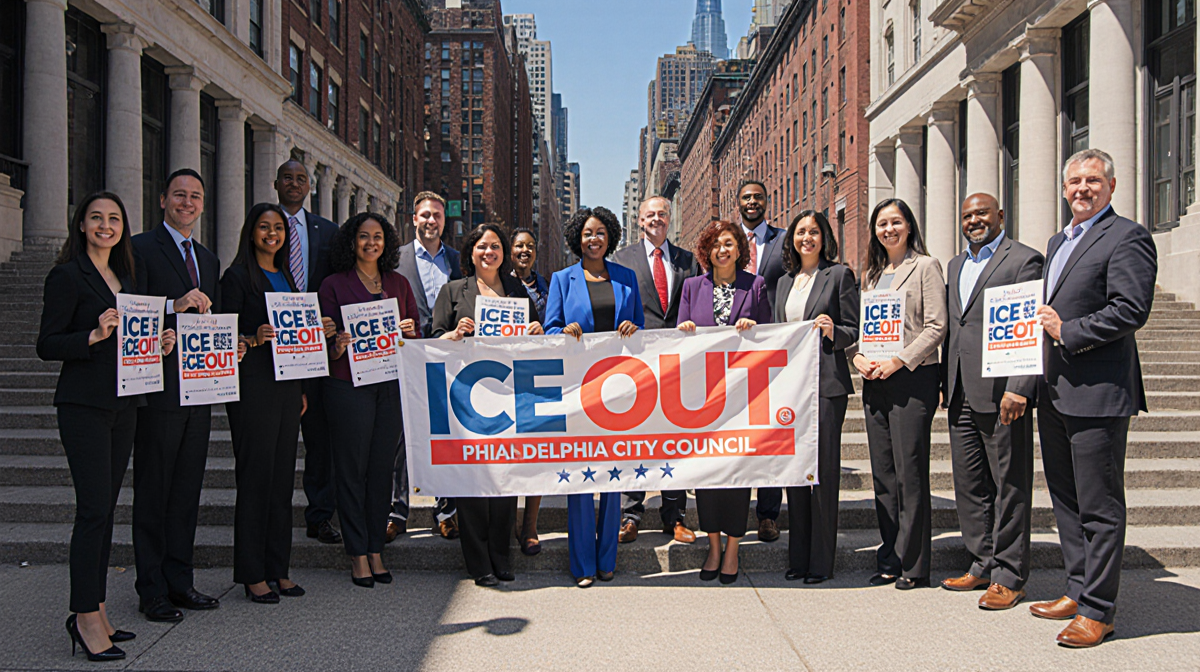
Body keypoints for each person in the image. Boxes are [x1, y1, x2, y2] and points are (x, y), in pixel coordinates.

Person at [38, 191, 176, 661]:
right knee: (93, 511)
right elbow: (47, 343)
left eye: (114, 218)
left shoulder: (127, 277)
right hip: (84, 405)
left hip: (127, 402)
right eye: (96, 217)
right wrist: (93, 335)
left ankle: (96, 609)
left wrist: (159, 341)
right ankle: (83, 617)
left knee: (107, 508)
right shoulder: (66, 275)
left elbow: (135, 336)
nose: (105, 225)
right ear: (81, 225)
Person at [1029, 149, 1157, 648]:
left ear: (1112, 185)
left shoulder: (1127, 236)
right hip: (1056, 391)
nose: (1082, 189)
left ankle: (1099, 611)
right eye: (1074, 182)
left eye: (1092, 181)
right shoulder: (1059, 240)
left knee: (1100, 505)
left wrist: (1067, 331)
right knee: (1066, 499)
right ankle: (1078, 589)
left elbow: (1131, 309)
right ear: (1064, 189)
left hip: (1099, 392)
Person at [221, 203, 331, 603]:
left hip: (287, 389)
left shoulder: (286, 277)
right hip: (253, 388)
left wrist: (302, 387)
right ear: (251, 232)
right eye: (264, 227)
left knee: (283, 481)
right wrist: (252, 337)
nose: (272, 234)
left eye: (279, 228)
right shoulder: (235, 278)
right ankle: (252, 574)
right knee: (256, 480)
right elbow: (223, 337)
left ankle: (278, 569)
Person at [939, 194, 1044, 609]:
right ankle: (981, 562)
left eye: (982, 213)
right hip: (961, 390)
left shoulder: (1024, 260)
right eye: (967, 215)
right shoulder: (954, 265)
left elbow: (1030, 325)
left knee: (1010, 485)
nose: (974, 220)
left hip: (1004, 393)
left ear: (1001, 215)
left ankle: (1010, 575)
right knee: (969, 485)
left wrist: (1020, 385)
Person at [130, 169, 222, 622]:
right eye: (180, 195)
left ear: (203, 205)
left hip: (200, 389)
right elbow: (127, 307)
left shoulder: (208, 258)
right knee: (154, 489)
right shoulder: (140, 247)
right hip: (157, 389)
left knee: (187, 490)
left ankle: (180, 581)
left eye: (196, 197)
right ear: (163, 198)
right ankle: (151, 590)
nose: (187, 202)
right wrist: (173, 307)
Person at [433, 224, 544, 586]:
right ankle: (479, 563)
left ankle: (502, 557)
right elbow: (433, 341)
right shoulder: (453, 291)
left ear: (504, 253)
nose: (489, 252)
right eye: (482, 246)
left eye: (495, 246)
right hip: (467, 399)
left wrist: (536, 331)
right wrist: (453, 334)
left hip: (508, 399)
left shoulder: (517, 291)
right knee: (474, 482)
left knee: (505, 481)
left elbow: (535, 338)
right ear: (472, 251)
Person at [544, 206, 643, 588]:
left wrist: (632, 327)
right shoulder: (562, 279)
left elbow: (642, 331)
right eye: (587, 233)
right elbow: (551, 326)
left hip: (619, 388)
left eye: (600, 232)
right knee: (580, 481)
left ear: (610, 237)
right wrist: (562, 330)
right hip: (577, 388)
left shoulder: (626, 278)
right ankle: (583, 565)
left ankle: (607, 561)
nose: (594, 239)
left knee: (613, 478)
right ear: (577, 238)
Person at [319, 212, 420, 587]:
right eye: (364, 236)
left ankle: (376, 548)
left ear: (387, 243)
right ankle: (357, 553)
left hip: (390, 386)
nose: (371, 243)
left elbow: (413, 336)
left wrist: (409, 330)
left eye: (378, 236)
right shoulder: (333, 285)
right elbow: (324, 345)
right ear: (352, 242)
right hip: (347, 386)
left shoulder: (398, 283)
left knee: (381, 469)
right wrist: (337, 343)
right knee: (351, 469)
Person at [853, 198, 946, 590]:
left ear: (909, 226)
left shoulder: (925, 266)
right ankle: (889, 557)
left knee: (910, 474)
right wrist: (858, 356)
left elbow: (936, 326)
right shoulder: (872, 275)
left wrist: (898, 361)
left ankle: (915, 565)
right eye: (881, 223)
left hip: (911, 380)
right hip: (875, 381)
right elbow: (864, 329)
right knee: (884, 476)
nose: (888, 229)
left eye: (895, 222)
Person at [676, 220, 771, 585]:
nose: (722, 250)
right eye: (715, 244)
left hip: (742, 396)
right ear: (706, 251)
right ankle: (712, 545)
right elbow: (680, 334)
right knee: (708, 475)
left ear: (739, 249)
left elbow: (772, 336)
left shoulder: (756, 285)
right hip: (701, 396)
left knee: (735, 473)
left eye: (729, 243)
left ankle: (733, 548)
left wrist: (755, 329)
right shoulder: (691, 287)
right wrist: (683, 330)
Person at [773, 211, 859, 585]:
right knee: (796, 475)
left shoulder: (839, 275)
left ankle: (821, 562)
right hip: (790, 388)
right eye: (800, 232)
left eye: (814, 232)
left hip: (825, 386)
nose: (807, 237)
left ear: (825, 237)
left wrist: (832, 331)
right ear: (791, 238)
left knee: (821, 475)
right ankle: (799, 557)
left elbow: (854, 329)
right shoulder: (782, 283)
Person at [611, 196, 699, 545]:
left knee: (675, 441)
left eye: (662, 214)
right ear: (639, 219)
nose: (657, 219)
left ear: (670, 217)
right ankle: (630, 515)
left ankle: (675, 516)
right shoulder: (622, 259)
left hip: (678, 364)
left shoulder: (688, 260)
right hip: (637, 364)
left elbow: (695, 302)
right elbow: (616, 306)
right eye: (650, 215)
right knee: (634, 440)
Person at [274, 160, 343, 546]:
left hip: (317, 350)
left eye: (302, 179)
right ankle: (274, 515)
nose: (295, 184)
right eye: (288, 178)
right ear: (276, 183)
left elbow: (334, 286)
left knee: (320, 440)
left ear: (311, 186)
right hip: (274, 350)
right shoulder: (264, 226)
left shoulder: (328, 233)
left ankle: (319, 516)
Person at [393, 192, 461, 542]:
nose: (431, 220)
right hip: (405, 357)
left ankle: (446, 510)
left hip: (447, 360)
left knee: (445, 433)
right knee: (402, 437)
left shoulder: (458, 260)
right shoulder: (396, 259)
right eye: (425, 215)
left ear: (444, 221)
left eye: (437, 214)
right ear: (414, 219)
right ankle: (396, 510)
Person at [733, 179, 787, 542]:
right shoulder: (725, 240)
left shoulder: (784, 240)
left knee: (770, 436)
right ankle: (734, 510)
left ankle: (768, 514)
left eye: (758, 197)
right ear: (738, 203)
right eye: (746, 197)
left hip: (773, 348)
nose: (753, 202)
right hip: (732, 353)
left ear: (767, 202)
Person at [509, 226, 548, 556]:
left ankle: (530, 526)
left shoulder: (548, 286)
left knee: (536, 456)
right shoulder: (497, 285)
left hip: (539, 379)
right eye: (519, 246)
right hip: (502, 382)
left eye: (530, 246)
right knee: (506, 455)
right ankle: (507, 525)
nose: (525, 250)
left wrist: (545, 328)